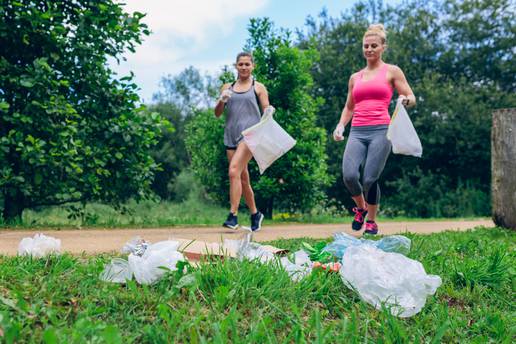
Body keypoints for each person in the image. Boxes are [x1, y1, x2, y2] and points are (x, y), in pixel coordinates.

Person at [333, 24, 416, 235]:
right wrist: (341, 125)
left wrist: (405, 100)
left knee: (370, 178)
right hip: (358, 131)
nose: (369, 49)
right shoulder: (355, 77)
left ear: (382, 47)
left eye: (373, 46)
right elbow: (349, 106)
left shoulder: (392, 71)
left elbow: (411, 97)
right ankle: (360, 208)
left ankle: (371, 220)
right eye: (366, 46)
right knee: (349, 175)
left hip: (381, 130)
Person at [214, 52, 269, 231]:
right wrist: (221, 101)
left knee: (233, 171)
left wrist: (269, 111)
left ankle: (233, 215)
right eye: (241, 64)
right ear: (236, 66)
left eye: (247, 64)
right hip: (230, 135)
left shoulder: (258, 87)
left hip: (250, 135)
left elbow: (266, 109)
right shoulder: (227, 87)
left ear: (253, 66)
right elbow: (217, 113)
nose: (244, 67)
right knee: (242, 177)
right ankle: (255, 214)